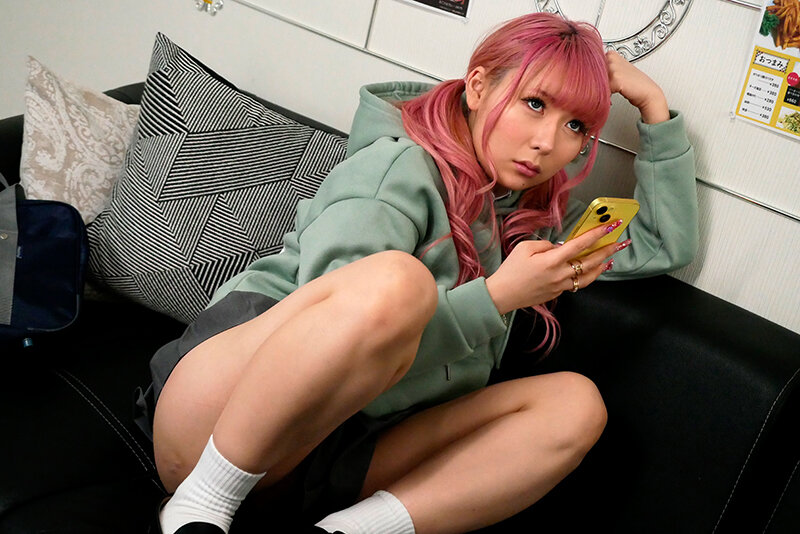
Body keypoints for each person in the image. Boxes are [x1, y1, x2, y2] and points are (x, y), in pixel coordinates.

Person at [139, 11, 697, 534]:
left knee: (575, 406)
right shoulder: (396, 164)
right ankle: (201, 504)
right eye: (534, 104)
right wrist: (497, 297)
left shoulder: (527, 214)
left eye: (575, 125)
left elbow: (659, 245)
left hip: (326, 454)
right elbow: (337, 342)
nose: (547, 142)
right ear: (478, 87)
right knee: (397, 282)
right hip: (220, 422)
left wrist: (653, 107)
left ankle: (345, 531)